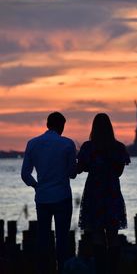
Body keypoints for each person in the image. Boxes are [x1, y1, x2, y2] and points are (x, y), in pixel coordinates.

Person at [21, 112, 77, 274]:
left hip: (43, 197)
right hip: (63, 196)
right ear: (62, 126)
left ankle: (43, 269)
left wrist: (37, 186)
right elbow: (72, 173)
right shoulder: (67, 144)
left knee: (43, 239)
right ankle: (63, 269)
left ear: (47, 125)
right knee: (63, 239)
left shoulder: (32, 144)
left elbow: (25, 174)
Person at [77, 113, 130, 274]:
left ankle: (101, 270)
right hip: (112, 193)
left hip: (94, 193)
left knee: (97, 234)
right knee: (113, 235)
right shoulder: (118, 148)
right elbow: (119, 172)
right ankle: (113, 269)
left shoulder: (88, 147)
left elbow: (80, 168)